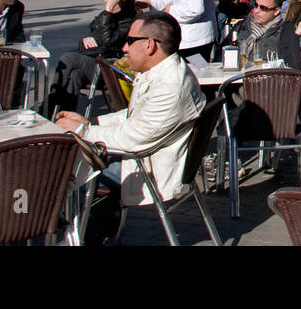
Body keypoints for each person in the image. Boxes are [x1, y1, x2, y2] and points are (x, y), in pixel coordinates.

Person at [55, 13, 204, 240]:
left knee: (61, 166)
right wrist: (91, 122)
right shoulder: (164, 70)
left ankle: (74, 231)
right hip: (145, 153)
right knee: (67, 160)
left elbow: (132, 137)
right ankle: (90, 230)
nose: (124, 48)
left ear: (149, 45)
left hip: (148, 165)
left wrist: (80, 132)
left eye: (130, 40)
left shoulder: (170, 86)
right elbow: (135, 116)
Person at [45, 0, 137, 115]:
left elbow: (108, 41)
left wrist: (108, 12)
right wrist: (87, 38)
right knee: (75, 76)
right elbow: (94, 28)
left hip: (109, 67)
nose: (105, 1)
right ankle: (62, 116)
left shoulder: (129, 21)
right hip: (94, 62)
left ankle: (49, 106)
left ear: (120, 1)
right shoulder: (111, 15)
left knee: (69, 58)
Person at [240, 0, 301, 69]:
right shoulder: (241, 26)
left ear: (276, 11)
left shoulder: (286, 31)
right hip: (235, 78)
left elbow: (293, 66)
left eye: (263, 8)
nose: (256, 11)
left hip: (269, 78)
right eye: (255, 5)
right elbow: (220, 59)